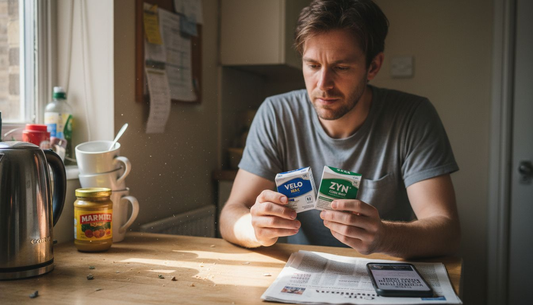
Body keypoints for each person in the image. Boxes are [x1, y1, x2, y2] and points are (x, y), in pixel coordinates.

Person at [219, 0, 460, 259]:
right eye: (312, 66)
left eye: (341, 68)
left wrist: (383, 236)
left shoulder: (413, 116)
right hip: (300, 273)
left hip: (382, 274)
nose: (323, 84)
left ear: (373, 66)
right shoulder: (277, 114)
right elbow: (231, 214)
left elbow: (447, 232)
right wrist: (254, 229)